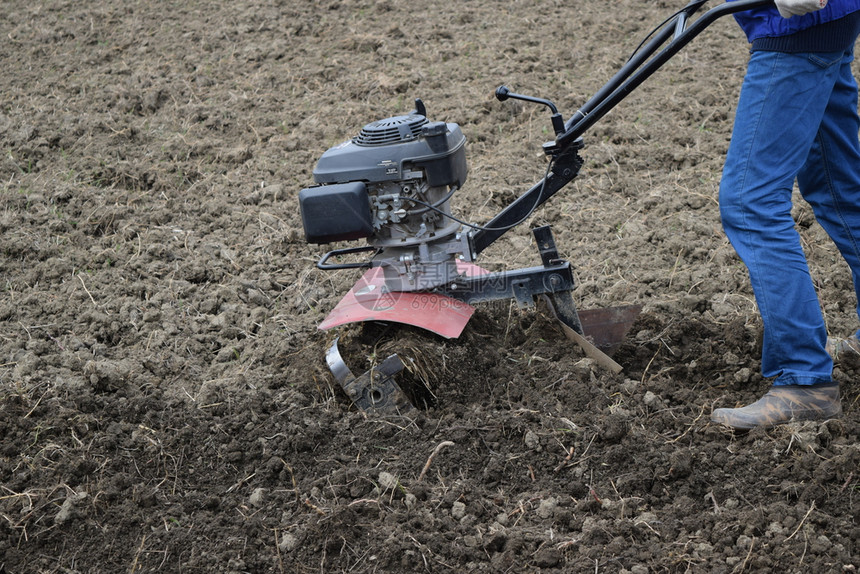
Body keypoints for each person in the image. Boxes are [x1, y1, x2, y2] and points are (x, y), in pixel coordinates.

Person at [710, 0, 860, 429]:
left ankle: (805, 380)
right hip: (828, 22)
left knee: (749, 202)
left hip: (797, 26)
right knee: (841, 189)